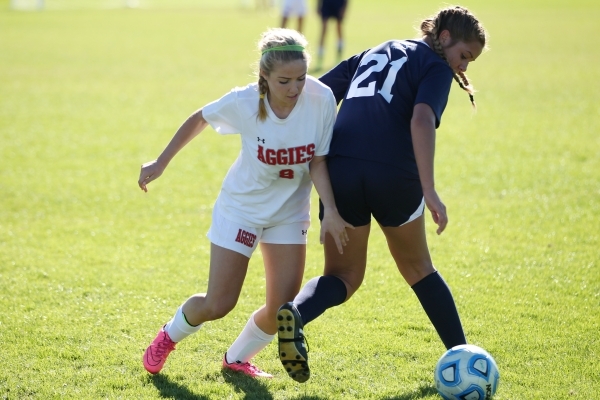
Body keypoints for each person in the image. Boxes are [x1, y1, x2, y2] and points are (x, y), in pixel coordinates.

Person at [275, 5, 488, 383]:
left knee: (343, 275)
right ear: (444, 38)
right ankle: (464, 357)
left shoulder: (375, 50)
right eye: (464, 56)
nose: (464, 67)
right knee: (418, 268)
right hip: (393, 174)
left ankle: (296, 313)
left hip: (339, 167)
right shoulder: (436, 66)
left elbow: (318, 91)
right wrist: (430, 190)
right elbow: (421, 118)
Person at [138, 28, 352, 378]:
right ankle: (168, 336)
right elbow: (200, 118)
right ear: (264, 76)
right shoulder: (245, 101)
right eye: (284, 81)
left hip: (288, 214)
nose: (295, 88)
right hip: (242, 209)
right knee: (218, 303)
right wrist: (160, 162)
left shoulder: (322, 98)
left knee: (281, 309)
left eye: (300, 78)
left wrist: (331, 211)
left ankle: (236, 359)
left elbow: (318, 160)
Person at [316, 0, 348, 68]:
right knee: (324, 29)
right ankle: (320, 55)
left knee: (339, 28)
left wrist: (345, 6)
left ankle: (339, 54)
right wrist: (318, 5)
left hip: (338, 3)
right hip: (326, 3)